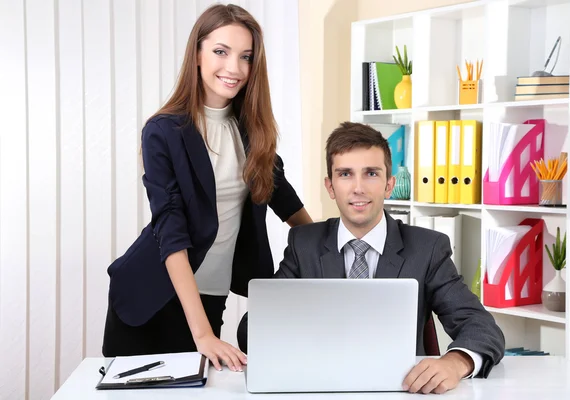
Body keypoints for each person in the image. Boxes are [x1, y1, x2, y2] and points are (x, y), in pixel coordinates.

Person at [101, 3, 312, 373]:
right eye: (220, 51)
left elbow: (286, 201)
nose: (233, 68)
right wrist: (202, 334)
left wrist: (338, 255)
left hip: (210, 297)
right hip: (152, 298)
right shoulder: (164, 130)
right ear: (197, 53)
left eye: (245, 57)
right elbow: (170, 230)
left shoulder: (253, 131)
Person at [237, 121, 505, 394]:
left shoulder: (427, 248)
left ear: (389, 185)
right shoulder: (304, 243)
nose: (358, 188)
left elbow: (481, 326)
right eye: (345, 174)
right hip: (318, 387)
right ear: (330, 187)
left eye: (371, 174)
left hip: (401, 389)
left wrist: (455, 362)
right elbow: (251, 330)